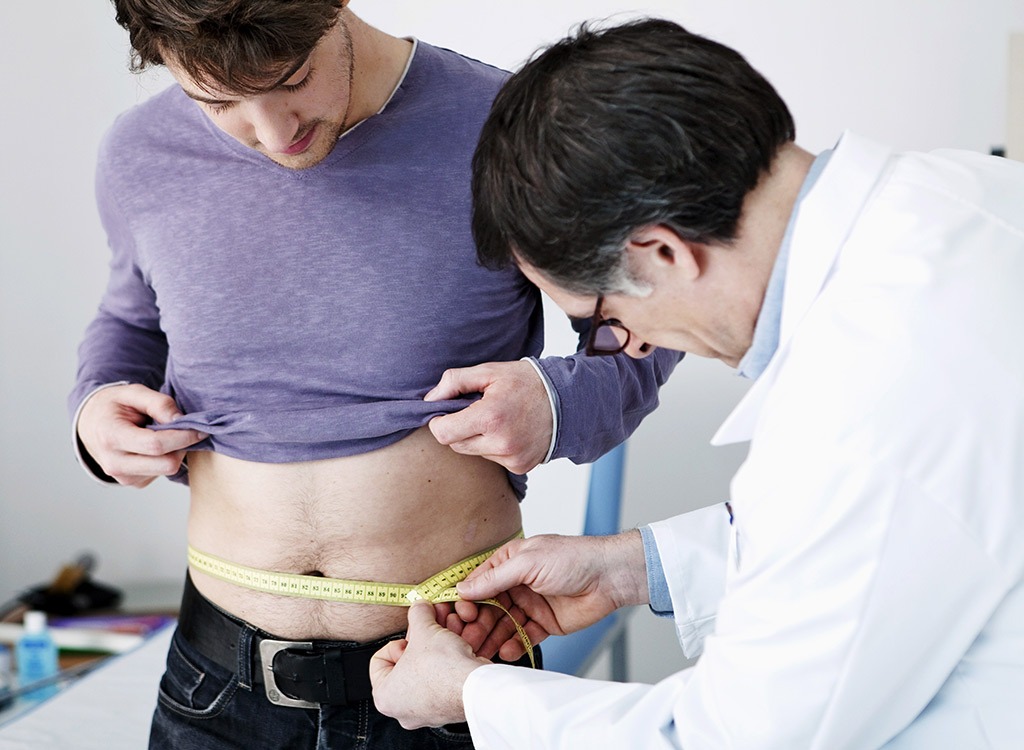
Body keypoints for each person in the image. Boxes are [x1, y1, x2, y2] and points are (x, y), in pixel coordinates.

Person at [369, 17, 1024, 749]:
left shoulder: (859, 408)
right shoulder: (970, 194)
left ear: (661, 253)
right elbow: (892, 539)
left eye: (602, 322)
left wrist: (472, 693)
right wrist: (629, 569)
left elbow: (724, 739)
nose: (632, 345)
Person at [69, 3, 682, 748]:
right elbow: (131, 321)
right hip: (214, 684)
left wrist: (558, 404)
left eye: (292, 80)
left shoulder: (504, 128)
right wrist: (96, 406)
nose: (272, 135)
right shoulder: (140, 153)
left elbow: (650, 317)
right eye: (220, 103)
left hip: (452, 666)